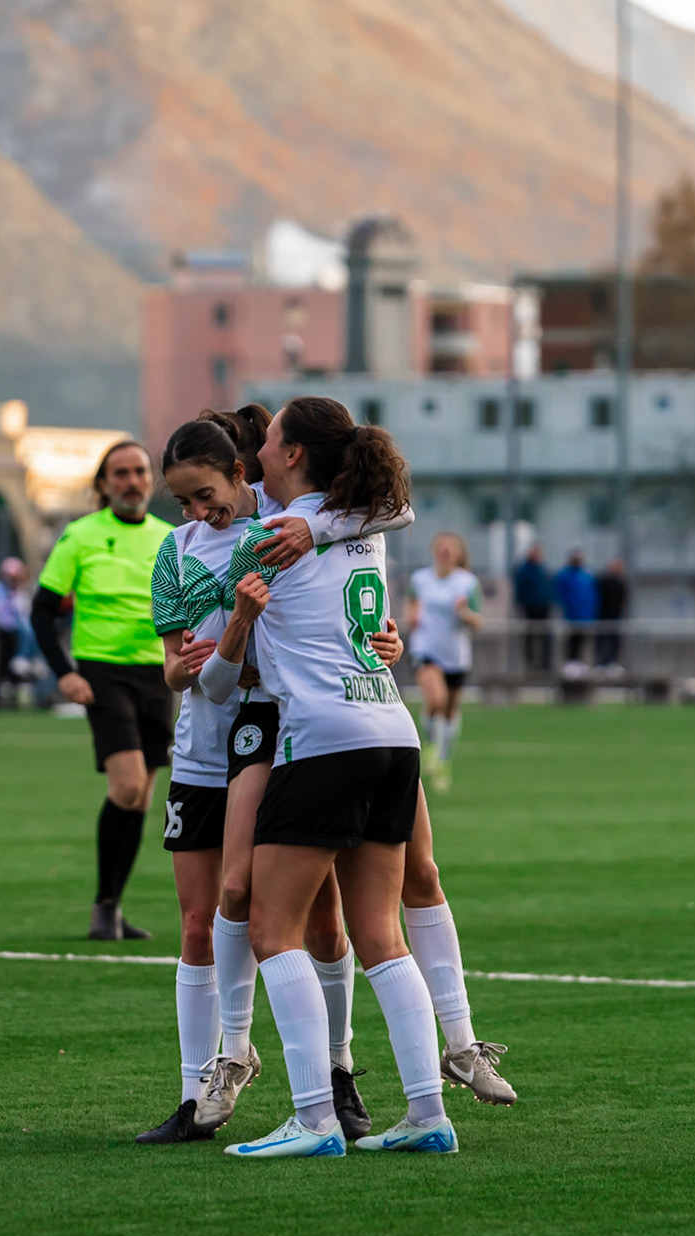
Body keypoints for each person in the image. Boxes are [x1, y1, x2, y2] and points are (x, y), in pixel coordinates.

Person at [135, 411, 412, 1145]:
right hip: (203, 749)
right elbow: (175, 669)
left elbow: (380, 525)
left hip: (279, 735)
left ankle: (337, 1075)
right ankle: (203, 1087)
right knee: (202, 918)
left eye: (205, 494)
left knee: (313, 919)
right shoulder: (176, 552)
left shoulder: (283, 530)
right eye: (183, 501)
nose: (197, 512)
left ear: (241, 474)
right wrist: (191, 663)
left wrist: (378, 639)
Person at [214, 396, 457, 1158]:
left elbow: (220, 671)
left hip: (321, 740)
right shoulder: (363, 525)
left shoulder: (262, 540)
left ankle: (315, 1119)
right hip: (392, 734)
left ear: (292, 455)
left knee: (272, 930)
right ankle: (427, 1113)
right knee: (380, 935)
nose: (258, 448)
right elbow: (392, 510)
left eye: (270, 436)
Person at [29, 440, 174, 941]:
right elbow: (41, 611)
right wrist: (64, 673)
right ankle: (104, 907)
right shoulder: (81, 535)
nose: (132, 481)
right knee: (128, 787)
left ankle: (110, 908)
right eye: (121, 473)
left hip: (159, 674)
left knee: (141, 798)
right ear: (103, 484)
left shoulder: (171, 538)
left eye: (139, 471)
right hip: (103, 673)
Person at [407, 533, 481, 790]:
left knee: (449, 710)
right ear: (434, 550)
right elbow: (412, 607)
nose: (445, 551)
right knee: (436, 699)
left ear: (458, 553)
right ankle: (431, 748)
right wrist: (412, 617)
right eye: (440, 547)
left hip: (455, 654)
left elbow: (477, 621)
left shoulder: (467, 582)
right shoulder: (420, 579)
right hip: (426, 649)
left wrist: (464, 612)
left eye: (450, 548)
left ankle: (444, 759)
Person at [0, 557, 27, 710]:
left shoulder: (19, 592)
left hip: (17, 634)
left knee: (15, 666)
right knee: (1, 664)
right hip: (3, 632)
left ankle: (15, 695)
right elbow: (1, 614)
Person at [554, 548, 598, 671]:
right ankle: (569, 662)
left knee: (581, 639)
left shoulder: (587, 575)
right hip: (571, 614)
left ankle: (578, 661)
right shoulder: (565, 575)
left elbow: (592, 595)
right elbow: (559, 595)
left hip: (585, 615)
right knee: (571, 639)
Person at [512, 543, 554, 672]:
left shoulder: (543, 568)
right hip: (530, 607)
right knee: (530, 636)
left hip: (544, 607)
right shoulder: (524, 570)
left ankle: (545, 664)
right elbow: (520, 590)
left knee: (545, 636)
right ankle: (530, 664)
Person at [594, 556, 628, 672]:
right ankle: (600, 662)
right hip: (603, 614)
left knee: (614, 640)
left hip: (616, 615)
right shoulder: (603, 580)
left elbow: (623, 598)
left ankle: (612, 662)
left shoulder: (621, 581)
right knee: (602, 639)